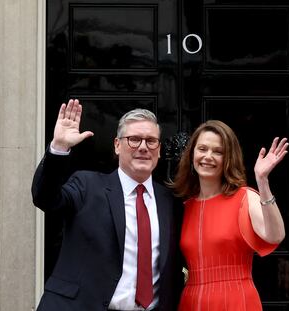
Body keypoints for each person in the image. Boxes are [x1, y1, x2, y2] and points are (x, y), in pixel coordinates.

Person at [32, 99, 183, 311]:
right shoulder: (87, 186)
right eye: (134, 139)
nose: (143, 147)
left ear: (158, 149)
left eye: (151, 141)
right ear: (117, 145)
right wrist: (59, 147)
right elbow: (45, 197)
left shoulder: (170, 201)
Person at [171, 120, 288, 311]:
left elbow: (275, 235)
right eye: (202, 149)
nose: (208, 156)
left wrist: (262, 181)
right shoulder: (185, 207)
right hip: (191, 301)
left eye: (218, 152)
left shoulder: (244, 198)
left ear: (228, 158)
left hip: (235, 299)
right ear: (192, 154)